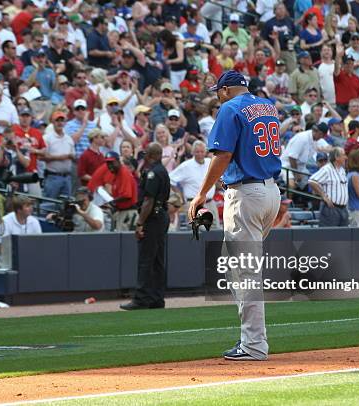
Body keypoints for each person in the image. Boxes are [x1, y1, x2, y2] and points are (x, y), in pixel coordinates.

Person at [188, 70, 281, 361]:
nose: (218, 94)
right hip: (271, 193)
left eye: (219, 90)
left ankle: (253, 345)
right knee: (239, 269)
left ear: (227, 89)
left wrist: (202, 193)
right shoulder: (267, 105)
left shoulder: (229, 108)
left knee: (245, 273)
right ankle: (252, 340)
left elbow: (223, 154)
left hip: (246, 195)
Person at [120, 142, 170, 311]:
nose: (145, 157)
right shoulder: (162, 171)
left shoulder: (153, 174)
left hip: (152, 218)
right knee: (157, 259)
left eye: (147, 154)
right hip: (160, 216)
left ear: (152, 155)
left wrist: (140, 223)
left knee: (146, 259)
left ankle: (142, 299)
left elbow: (148, 201)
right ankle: (156, 298)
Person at [169, 141, 219, 229]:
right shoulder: (186, 166)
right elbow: (170, 179)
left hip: (210, 202)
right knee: (200, 233)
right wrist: (179, 195)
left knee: (216, 231)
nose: (200, 154)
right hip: (194, 204)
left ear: (205, 152)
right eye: (197, 152)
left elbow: (219, 176)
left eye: (202, 151)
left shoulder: (210, 162)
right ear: (192, 152)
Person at [88, 151, 138, 231]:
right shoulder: (116, 174)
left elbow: (127, 195)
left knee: (125, 241)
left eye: (112, 162)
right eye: (108, 163)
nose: (110, 165)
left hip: (128, 213)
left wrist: (111, 202)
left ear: (118, 161)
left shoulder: (124, 173)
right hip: (122, 212)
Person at [309, 147, 349, 227]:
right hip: (331, 209)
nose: (346, 157)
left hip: (343, 208)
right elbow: (312, 181)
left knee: (344, 236)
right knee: (329, 237)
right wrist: (324, 196)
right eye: (343, 155)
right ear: (337, 157)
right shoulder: (327, 169)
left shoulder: (342, 170)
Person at [43, 111, 75, 198]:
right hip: (53, 176)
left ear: (65, 123)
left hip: (67, 176)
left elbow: (73, 156)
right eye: (57, 120)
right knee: (49, 203)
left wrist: (72, 157)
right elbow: (43, 157)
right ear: (53, 122)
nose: (60, 123)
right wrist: (62, 157)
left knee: (66, 206)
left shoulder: (69, 139)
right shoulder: (47, 138)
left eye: (62, 120)